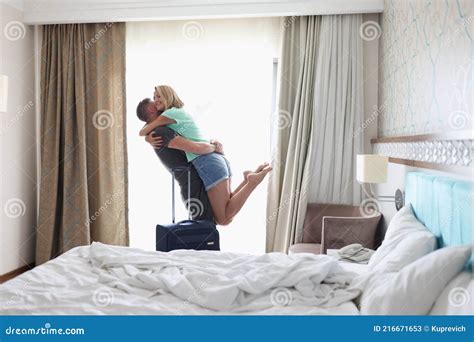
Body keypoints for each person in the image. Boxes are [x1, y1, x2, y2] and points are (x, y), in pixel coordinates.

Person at [136, 85, 271, 225]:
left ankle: (252, 182)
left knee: (223, 219)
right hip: (216, 160)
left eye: (158, 97)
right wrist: (147, 138)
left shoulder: (167, 118)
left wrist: (146, 136)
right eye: (154, 98)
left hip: (206, 161)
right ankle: (247, 179)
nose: (156, 100)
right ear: (151, 110)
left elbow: (195, 147)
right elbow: (148, 131)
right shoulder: (176, 113)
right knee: (227, 205)